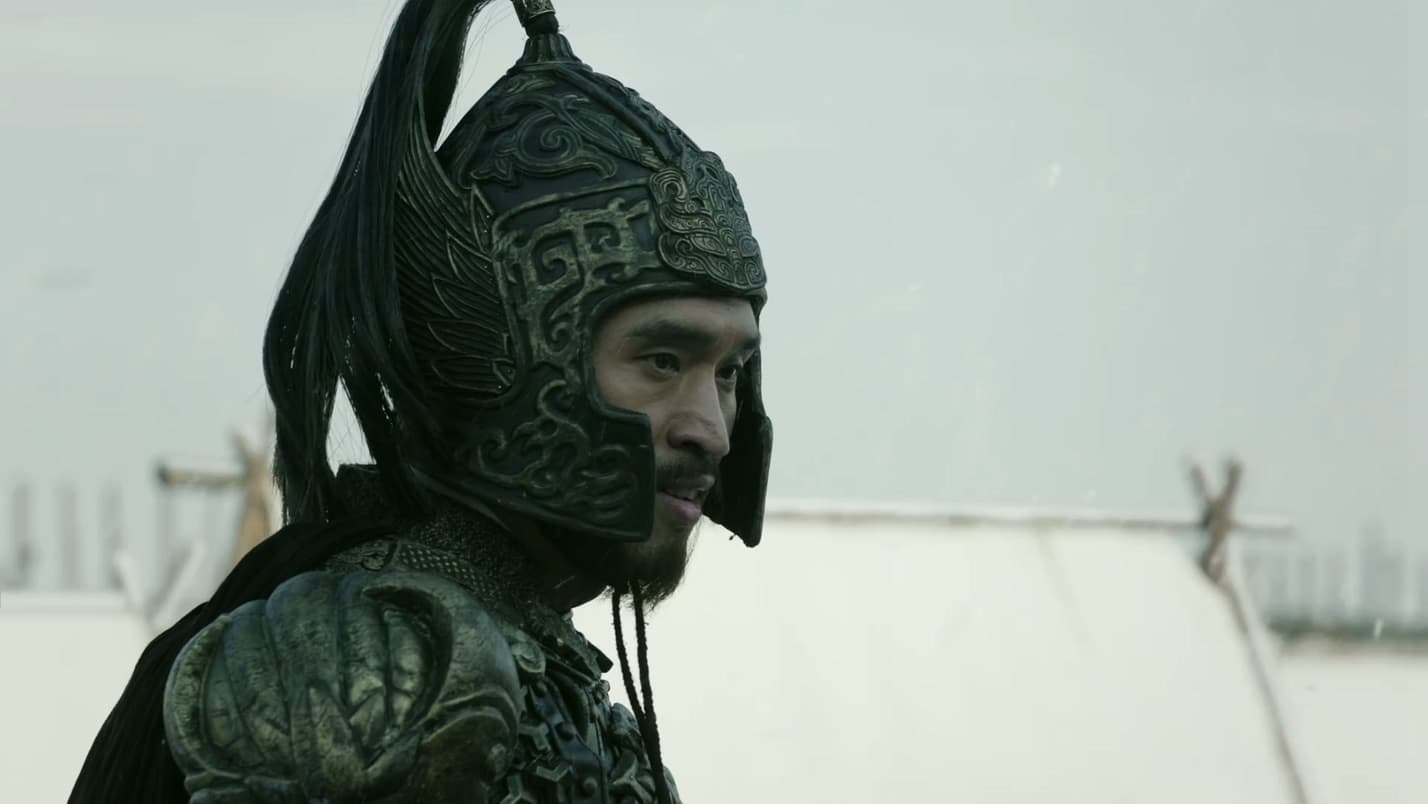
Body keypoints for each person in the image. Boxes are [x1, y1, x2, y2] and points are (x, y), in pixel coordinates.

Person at [69, 0, 771, 801]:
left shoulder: (538, 652)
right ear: (506, 353)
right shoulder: (385, 664)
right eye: (661, 360)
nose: (711, 431)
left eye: (728, 372)